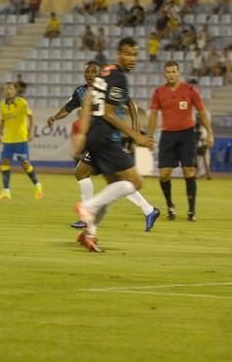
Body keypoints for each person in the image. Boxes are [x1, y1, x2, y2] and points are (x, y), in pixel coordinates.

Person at [47, 61, 160, 231]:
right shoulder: (80, 91)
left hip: (107, 139)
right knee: (112, 180)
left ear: (100, 74)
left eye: (94, 72)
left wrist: (135, 128)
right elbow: (68, 108)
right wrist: (55, 117)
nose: (90, 75)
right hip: (96, 140)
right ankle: (148, 210)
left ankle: (87, 215)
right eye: (87, 72)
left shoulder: (108, 86)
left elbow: (131, 104)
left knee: (106, 178)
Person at [72, 38, 156, 252]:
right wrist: (136, 136)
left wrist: (83, 132)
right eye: (127, 54)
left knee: (113, 188)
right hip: (106, 136)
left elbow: (90, 98)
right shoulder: (118, 77)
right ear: (118, 54)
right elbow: (109, 113)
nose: (132, 59)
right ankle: (87, 207)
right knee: (135, 182)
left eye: (135, 54)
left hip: (94, 133)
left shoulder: (106, 72)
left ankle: (89, 234)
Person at [147, 61, 214, 222]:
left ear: (179, 73)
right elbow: (154, 116)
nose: (171, 74)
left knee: (189, 171)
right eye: (168, 72)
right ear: (165, 74)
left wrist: (210, 132)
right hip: (167, 135)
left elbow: (202, 112)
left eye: (173, 71)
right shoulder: (159, 92)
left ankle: (191, 211)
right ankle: (170, 205)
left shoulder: (190, 90)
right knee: (164, 174)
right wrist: (149, 136)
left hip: (187, 135)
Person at [0, 82, 43, 200]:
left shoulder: (22, 103)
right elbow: (3, 120)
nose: (8, 91)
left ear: (15, 90)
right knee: (5, 162)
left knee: (24, 164)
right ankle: (6, 191)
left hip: (21, 138)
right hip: (8, 140)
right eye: (6, 89)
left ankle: (37, 185)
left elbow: (30, 117)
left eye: (11, 89)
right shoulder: (2, 105)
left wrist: (30, 132)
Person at [195, 115, 212, 180]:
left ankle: (208, 174)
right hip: (197, 145)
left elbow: (204, 137)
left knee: (204, 161)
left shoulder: (203, 128)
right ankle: (198, 174)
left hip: (202, 145)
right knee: (197, 161)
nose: (198, 121)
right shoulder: (196, 127)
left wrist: (204, 143)